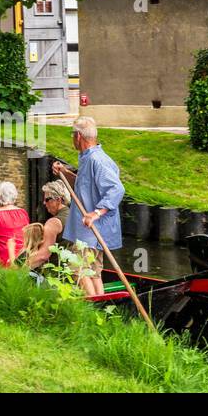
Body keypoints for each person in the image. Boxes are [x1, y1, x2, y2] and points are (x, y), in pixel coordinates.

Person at [52, 116, 124, 297]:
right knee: (93, 271)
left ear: (78, 136)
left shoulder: (97, 160)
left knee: (77, 268)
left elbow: (116, 189)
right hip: (90, 231)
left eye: (72, 135)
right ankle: (101, 306)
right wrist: (65, 173)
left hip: (91, 230)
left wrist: (96, 213)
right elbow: (83, 185)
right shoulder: (87, 158)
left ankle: (93, 307)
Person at [25, 180, 71, 270]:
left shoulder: (53, 223)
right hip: (74, 271)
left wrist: (21, 269)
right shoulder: (74, 216)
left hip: (56, 275)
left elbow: (43, 255)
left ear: (58, 199)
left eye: (47, 200)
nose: (44, 203)